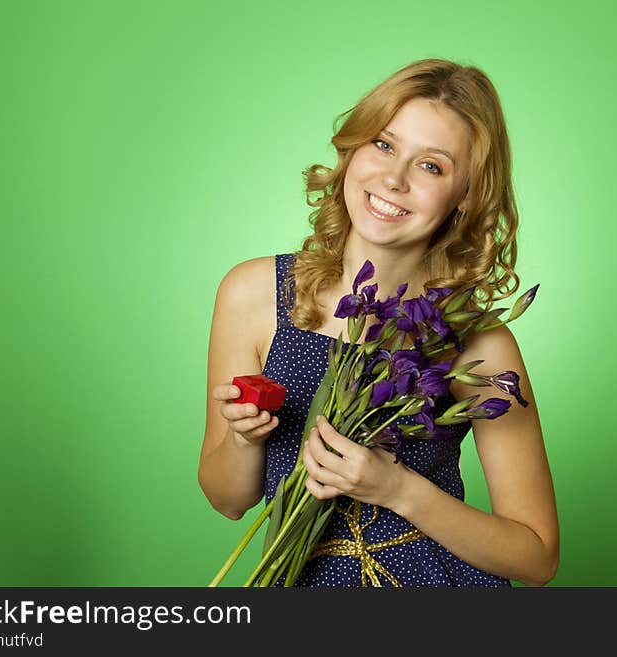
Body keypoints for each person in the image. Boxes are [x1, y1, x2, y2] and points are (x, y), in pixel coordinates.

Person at [198, 58, 559, 587]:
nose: (393, 178)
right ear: (353, 149)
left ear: (466, 196)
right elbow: (228, 502)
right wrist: (246, 441)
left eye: (431, 165)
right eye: (384, 145)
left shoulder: (476, 342)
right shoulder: (253, 294)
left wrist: (397, 489)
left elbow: (536, 559)